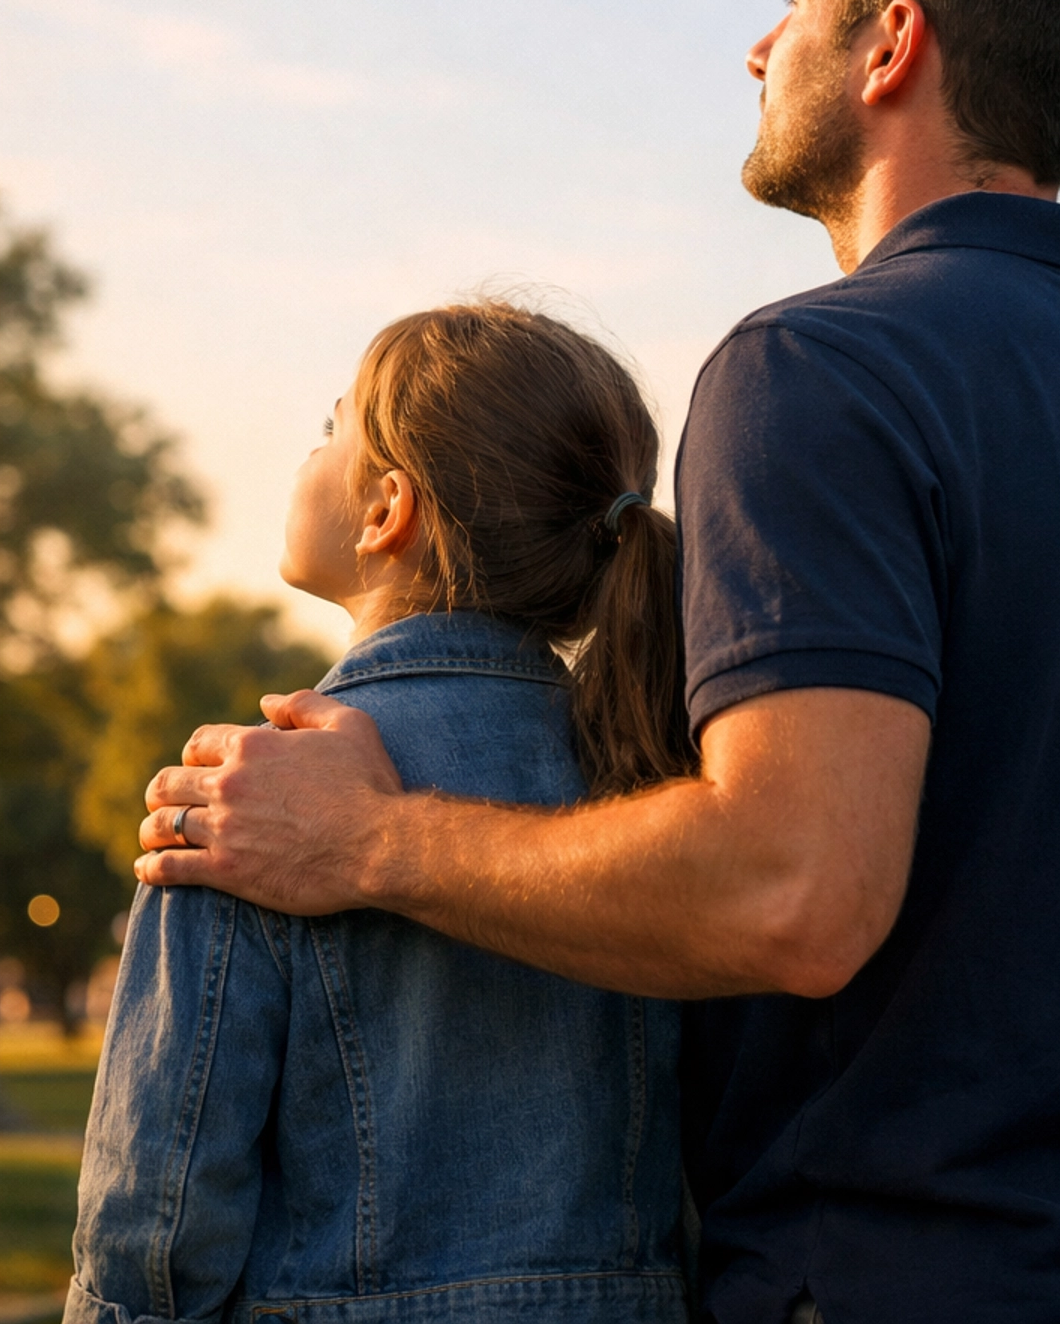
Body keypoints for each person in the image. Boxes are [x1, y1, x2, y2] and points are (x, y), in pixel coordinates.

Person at [139, 0, 1060, 1324]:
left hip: (917, 1281)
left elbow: (795, 891)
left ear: (892, 47)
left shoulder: (819, 367)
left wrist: (367, 842)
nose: (761, 45)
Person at [66, 304, 694, 1324]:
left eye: (332, 426)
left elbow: (159, 1220)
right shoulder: (662, 791)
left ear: (384, 510)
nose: (310, 451)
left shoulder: (257, 793)